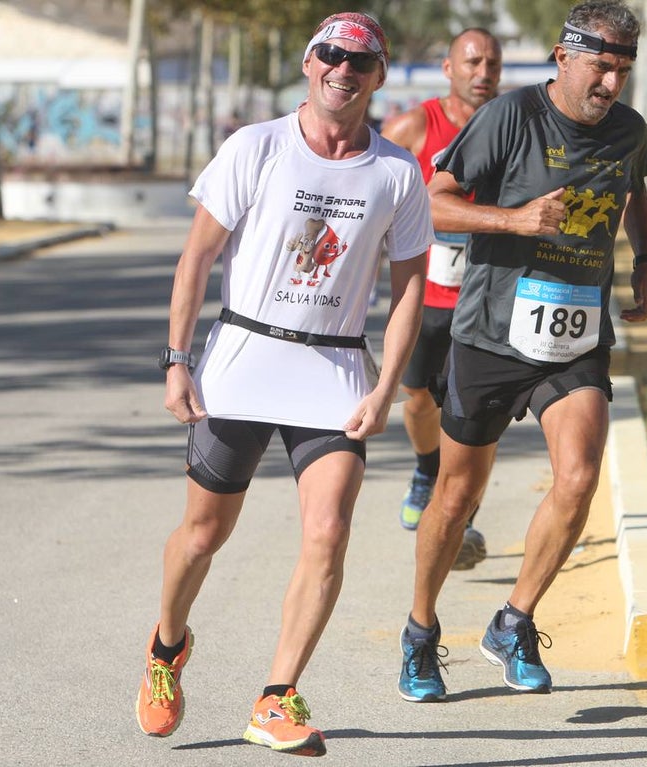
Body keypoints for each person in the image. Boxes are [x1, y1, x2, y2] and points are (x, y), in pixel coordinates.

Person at [136, 12, 433, 756]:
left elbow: (408, 293)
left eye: (360, 60)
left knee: (329, 530)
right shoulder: (257, 146)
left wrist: (386, 384)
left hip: (334, 368)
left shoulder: (397, 173)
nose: (343, 68)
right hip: (242, 359)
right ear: (309, 63)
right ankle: (167, 646)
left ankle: (276, 696)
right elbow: (196, 259)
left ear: (379, 76)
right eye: (330, 54)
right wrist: (176, 358)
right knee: (205, 532)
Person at [397, 0, 647, 702]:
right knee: (456, 497)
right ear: (564, 55)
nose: (611, 83)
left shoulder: (631, 129)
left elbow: (633, 187)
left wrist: (646, 261)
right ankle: (421, 631)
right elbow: (433, 199)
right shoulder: (510, 117)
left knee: (578, 476)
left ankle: (514, 620)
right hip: (491, 331)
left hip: (574, 334)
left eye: (623, 70)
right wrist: (512, 218)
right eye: (601, 66)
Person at [381, 28, 503, 570]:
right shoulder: (413, 127)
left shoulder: (514, 122)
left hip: (487, 300)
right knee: (420, 400)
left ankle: (463, 514)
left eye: (493, 64)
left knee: (471, 411)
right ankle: (427, 469)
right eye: (473, 62)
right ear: (448, 67)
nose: (484, 73)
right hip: (424, 297)